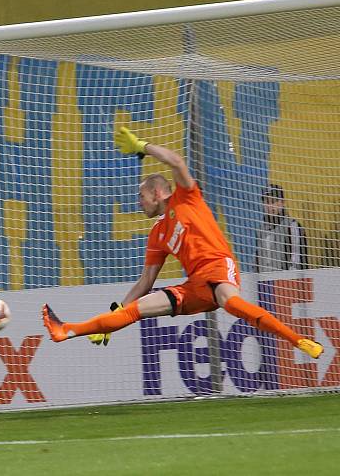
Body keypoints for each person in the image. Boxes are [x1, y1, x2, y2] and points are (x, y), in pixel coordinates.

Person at [42, 128, 323, 361]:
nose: (139, 203)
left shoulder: (186, 198)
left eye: (142, 197)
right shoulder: (157, 234)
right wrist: (116, 316)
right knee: (135, 310)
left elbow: (176, 162)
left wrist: (143, 146)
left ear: (157, 192)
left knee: (232, 302)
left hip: (217, 268)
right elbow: (146, 280)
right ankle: (65, 330)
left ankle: (297, 340)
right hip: (193, 288)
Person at [256, 184, 308, 272]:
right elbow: (258, 260)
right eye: (267, 202)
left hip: (286, 282)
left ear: (283, 202)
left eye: (274, 201)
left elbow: (296, 262)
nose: (270, 206)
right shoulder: (261, 230)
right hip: (264, 282)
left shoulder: (292, 226)